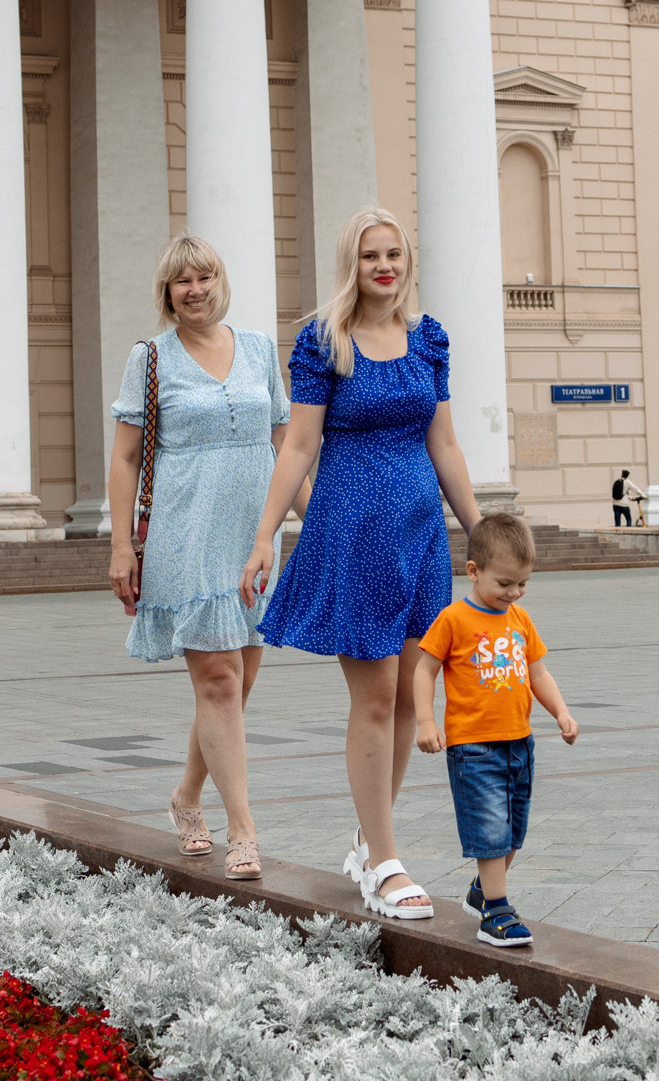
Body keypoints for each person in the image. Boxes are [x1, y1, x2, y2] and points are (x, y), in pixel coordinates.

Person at [247, 209, 483, 924]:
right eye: (371, 255)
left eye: (394, 254)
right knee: (377, 699)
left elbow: (444, 443)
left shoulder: (428, 338)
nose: (385, 266)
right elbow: (298, 445)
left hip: (420, 536)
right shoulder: (324, 341)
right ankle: (384, 862)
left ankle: (368, 841)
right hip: (353, 532)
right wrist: (265, 536)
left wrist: (482, 532)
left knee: (413, 697)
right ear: (352, 263)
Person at [107, 235, 297, 883]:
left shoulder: (260, 350)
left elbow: (284, 446)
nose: (195, 289)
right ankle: (243, 829)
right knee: (217, 679)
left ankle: (186, 794)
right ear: (167, 292)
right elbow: (125, 457)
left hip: (253, 534)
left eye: (205, 276)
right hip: (185, 533)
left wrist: (316, 521)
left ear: (220, 282)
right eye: (182, 281)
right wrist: (121, 546)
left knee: (236, 685)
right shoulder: (150, 359)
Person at [413, 514, 579, 949]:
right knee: (490, 833)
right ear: (474, 571)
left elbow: (538, 673)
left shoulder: (519, 619)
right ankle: (496, 912)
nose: (514, 593)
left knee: (513, 833)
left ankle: (481, 891)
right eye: (505, 583)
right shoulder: (454, 619)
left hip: (519, 743)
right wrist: (426, 721)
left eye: (523, 583)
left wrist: (560, 712)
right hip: (473, 748)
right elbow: (424, 669)